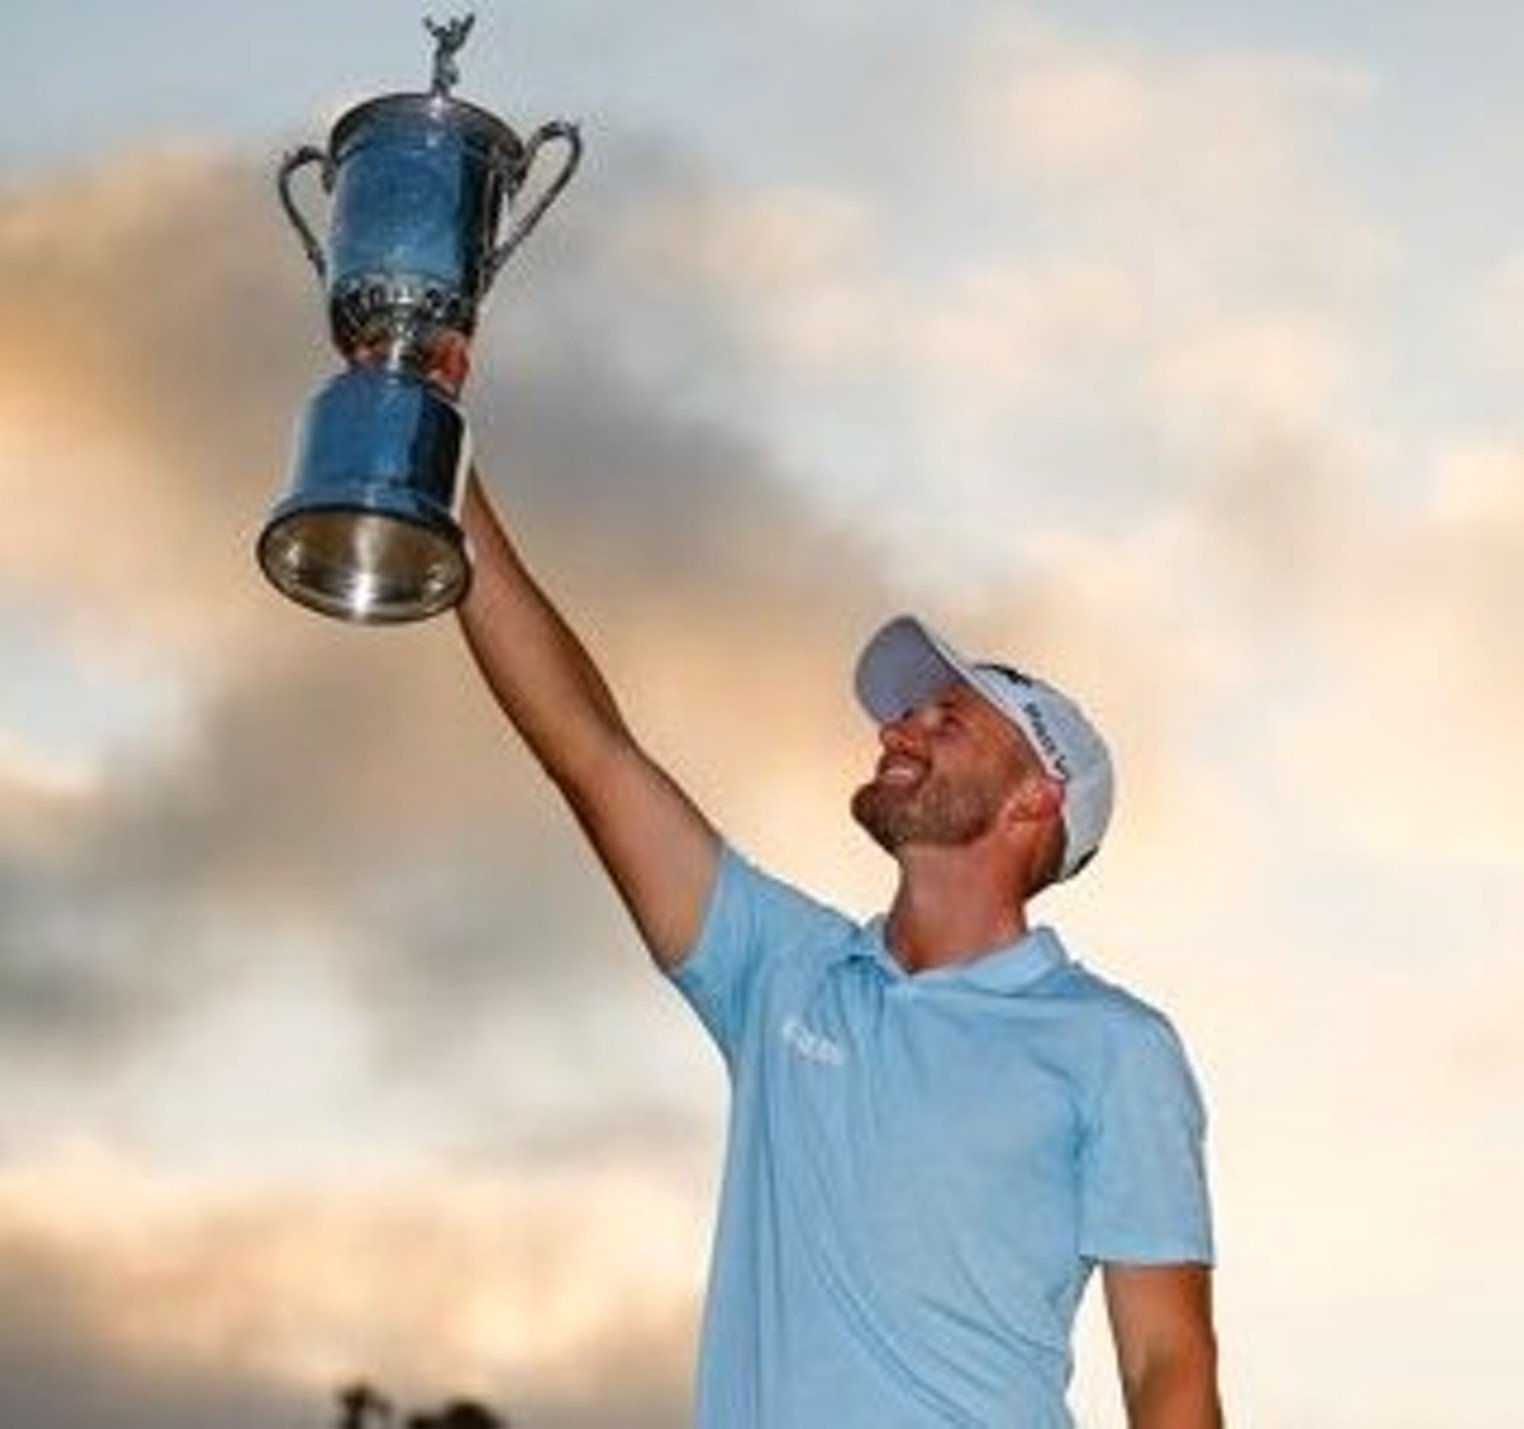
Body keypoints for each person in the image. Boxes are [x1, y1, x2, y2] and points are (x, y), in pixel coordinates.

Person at [455, 470, 1221, 1428]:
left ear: (1037, 798)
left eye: (948, 719)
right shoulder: (783, 969)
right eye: (908, 713)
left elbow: (1167, 1363)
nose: (898, 728)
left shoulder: (1113, 1045)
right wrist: (444, 466)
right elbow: (590, 749)